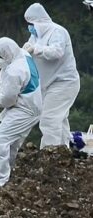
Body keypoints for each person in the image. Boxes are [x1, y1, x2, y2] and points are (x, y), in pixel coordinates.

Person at [0, 37, 42, 187]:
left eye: (0, 56)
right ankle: (7, 172)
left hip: (24, 109)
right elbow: (27, 49)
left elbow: (9, 99)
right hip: (33, 105)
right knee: (12, 142)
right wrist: (0, 85)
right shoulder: (23, 55)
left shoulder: (14, 71)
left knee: (0, 139)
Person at [23, 3, 80, 149]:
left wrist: (35, 49)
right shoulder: (35, 36)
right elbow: (27, 55)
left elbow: (57, 52)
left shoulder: (58, 32)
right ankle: (63, 153)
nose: (30, 27)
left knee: (49, 119)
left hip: (64, 83)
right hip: (49, 84)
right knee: (59, 121)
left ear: (39, 21)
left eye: (31, 23)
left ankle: (50, 156)